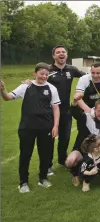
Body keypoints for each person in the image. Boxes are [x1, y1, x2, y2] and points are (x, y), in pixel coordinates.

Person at [1, 63, 60, 193]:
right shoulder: (25, 86)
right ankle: (23, 182)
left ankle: (43, 178)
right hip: (27, 127)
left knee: (45, 154)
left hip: (46, 127)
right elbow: (8, 98)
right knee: (25, 154)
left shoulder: (51, 88)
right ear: (35, 73)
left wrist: (55, 126)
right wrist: (3, 90)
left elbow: (56, 108)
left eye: (46, 74)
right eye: (41, 73)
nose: (44, 76)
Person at [47, 45, 86, 174]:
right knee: (49, 139)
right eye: (58, 52)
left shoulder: (71, 69)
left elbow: (87, 77)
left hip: (66, 110)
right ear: (54, 56)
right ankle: (47, 165)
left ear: (66, 55)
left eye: (63, 52)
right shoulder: (48, 70)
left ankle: (62, 159)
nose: (61, 54)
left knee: (65, 137)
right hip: (49, 111)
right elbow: (38, 80)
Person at [67, 96, 100, 187]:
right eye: (99, 111)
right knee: (70, 161)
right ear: (94, 109)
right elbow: (75, 113)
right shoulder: (87, 118)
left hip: (97, 153)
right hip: (81, 150)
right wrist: (75, 101)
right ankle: (75, 174)